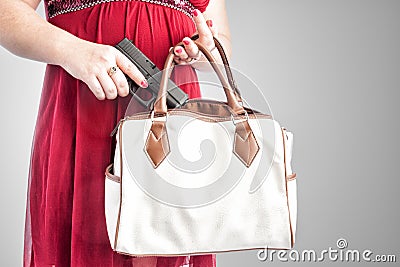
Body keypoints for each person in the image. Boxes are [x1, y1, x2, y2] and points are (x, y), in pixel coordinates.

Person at [0, 0, 232, 266]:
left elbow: (220, 38)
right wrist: (72, 51)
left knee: (161, 244)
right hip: (82, 114)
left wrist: (203, 50)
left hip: (168, 123)